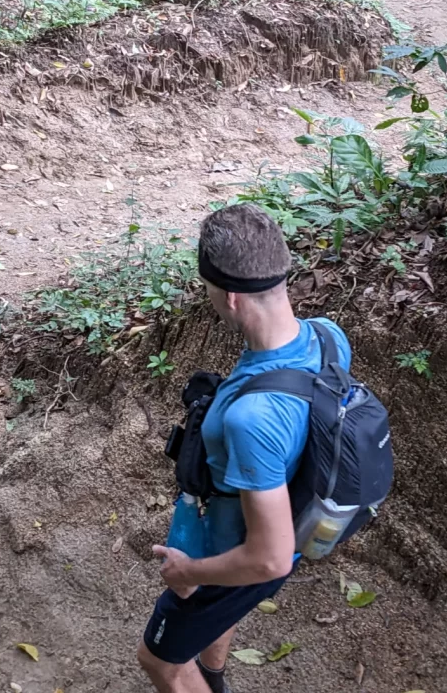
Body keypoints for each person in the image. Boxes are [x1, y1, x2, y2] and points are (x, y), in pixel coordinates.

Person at [138, 203, 352, 693]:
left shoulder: (251, 420)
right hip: (294, 518)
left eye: (208, 287)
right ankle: (213, 677)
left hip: (238, 556)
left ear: (231, 296)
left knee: (161, 662)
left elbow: (268, 558)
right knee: (209, 633)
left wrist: (189, 569)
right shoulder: (327, 337)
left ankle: (197, 674)